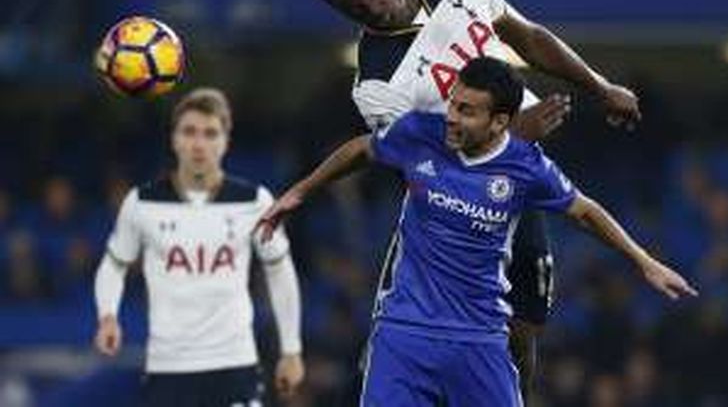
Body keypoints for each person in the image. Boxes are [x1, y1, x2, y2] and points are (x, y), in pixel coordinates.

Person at [256, 57, 696, 407]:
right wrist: (300, 190)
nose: (451, 117)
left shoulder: (527, 168)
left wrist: (643, 261)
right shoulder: (419, 133)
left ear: (500, 122)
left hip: (479, 337)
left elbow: (584, 211)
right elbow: (362, 149)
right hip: (404, 332)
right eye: (452, 103)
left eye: (466, 111)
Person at [314, 0, 642, 397]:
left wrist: (599, 86)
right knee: (422, 343)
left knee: (523, 332)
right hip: (448, 216)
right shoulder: (375, 84)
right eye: (357, 8)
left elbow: (526, 36)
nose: (374, 8)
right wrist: (511, 139)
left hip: (518, 187)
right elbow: (429, 168)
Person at [93, 88, 304, 406]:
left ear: (226, 141)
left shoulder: (255, 202)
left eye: (210, 133)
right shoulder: (141, 203)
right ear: (174, 139)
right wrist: (108, 316)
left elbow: (280, 269)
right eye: (189, 132)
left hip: (235, 363)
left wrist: (291, 349)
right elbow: (114, 263)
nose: (199, 143)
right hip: (168, 368)